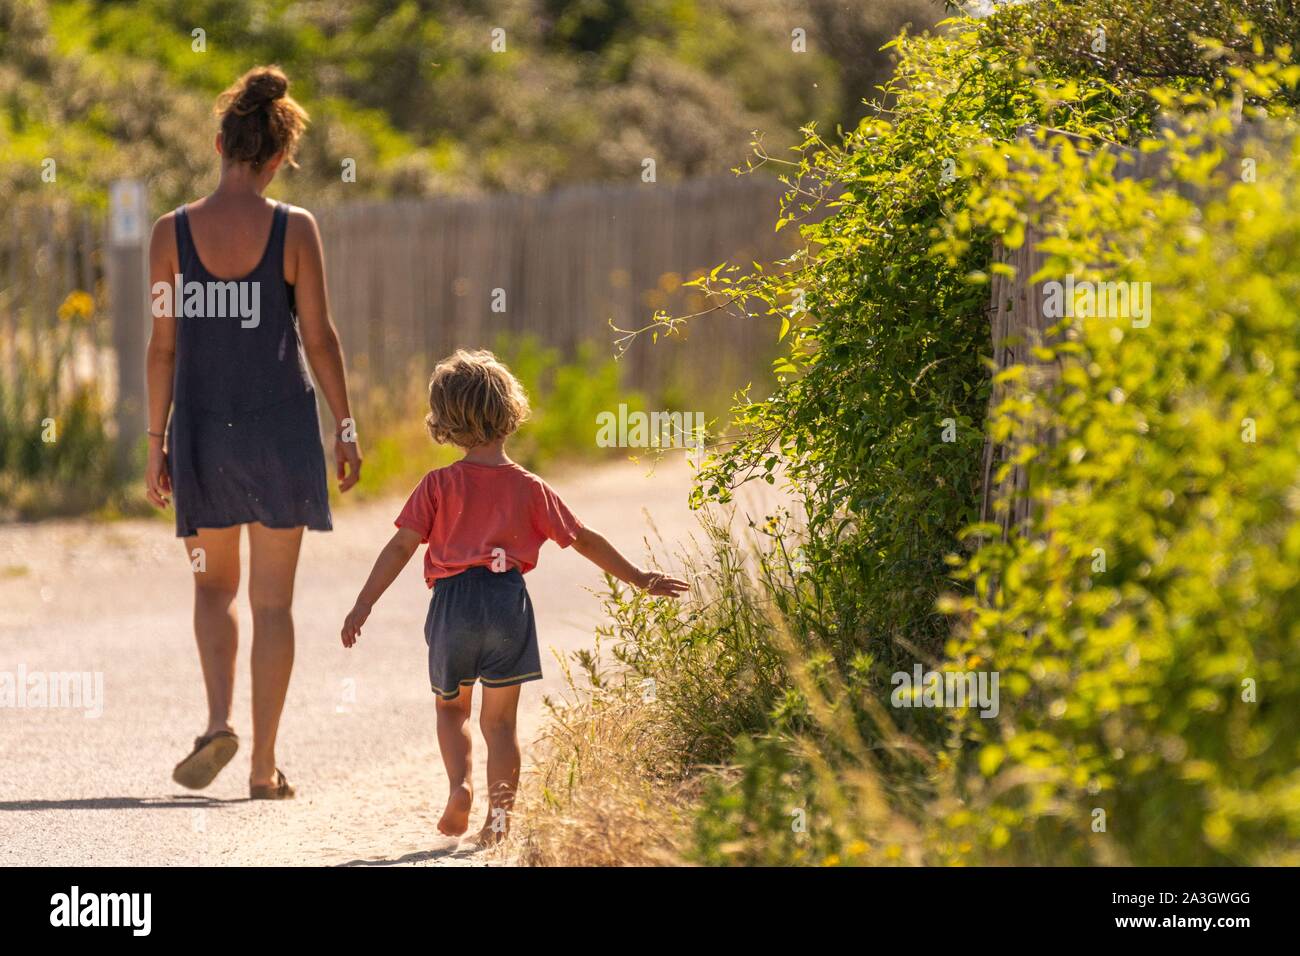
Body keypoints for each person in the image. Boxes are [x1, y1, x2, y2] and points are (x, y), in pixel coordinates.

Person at [340, 349, 687, 842]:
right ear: (510, 416)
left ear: (446, 424)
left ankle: (460, 787)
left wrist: (363, 603)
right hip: (507, 603)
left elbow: (400, 546)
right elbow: (582, 538)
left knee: (451, 710)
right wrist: (639, 578)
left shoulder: (438, 484)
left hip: (453, 603)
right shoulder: (530, 488)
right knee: (500, 724)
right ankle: (498, 819)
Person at [144, 66, 362, 800]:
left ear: (218, 144)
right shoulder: (295, 229)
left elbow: (162, 347)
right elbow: (321, 339)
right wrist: (348, 426)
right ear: (278, 158)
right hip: (280, 437)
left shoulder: (169, 235)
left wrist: (155, 443)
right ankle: (264, 765)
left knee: (214, 590)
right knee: (274, 604)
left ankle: (216, 724)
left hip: (204, 432)